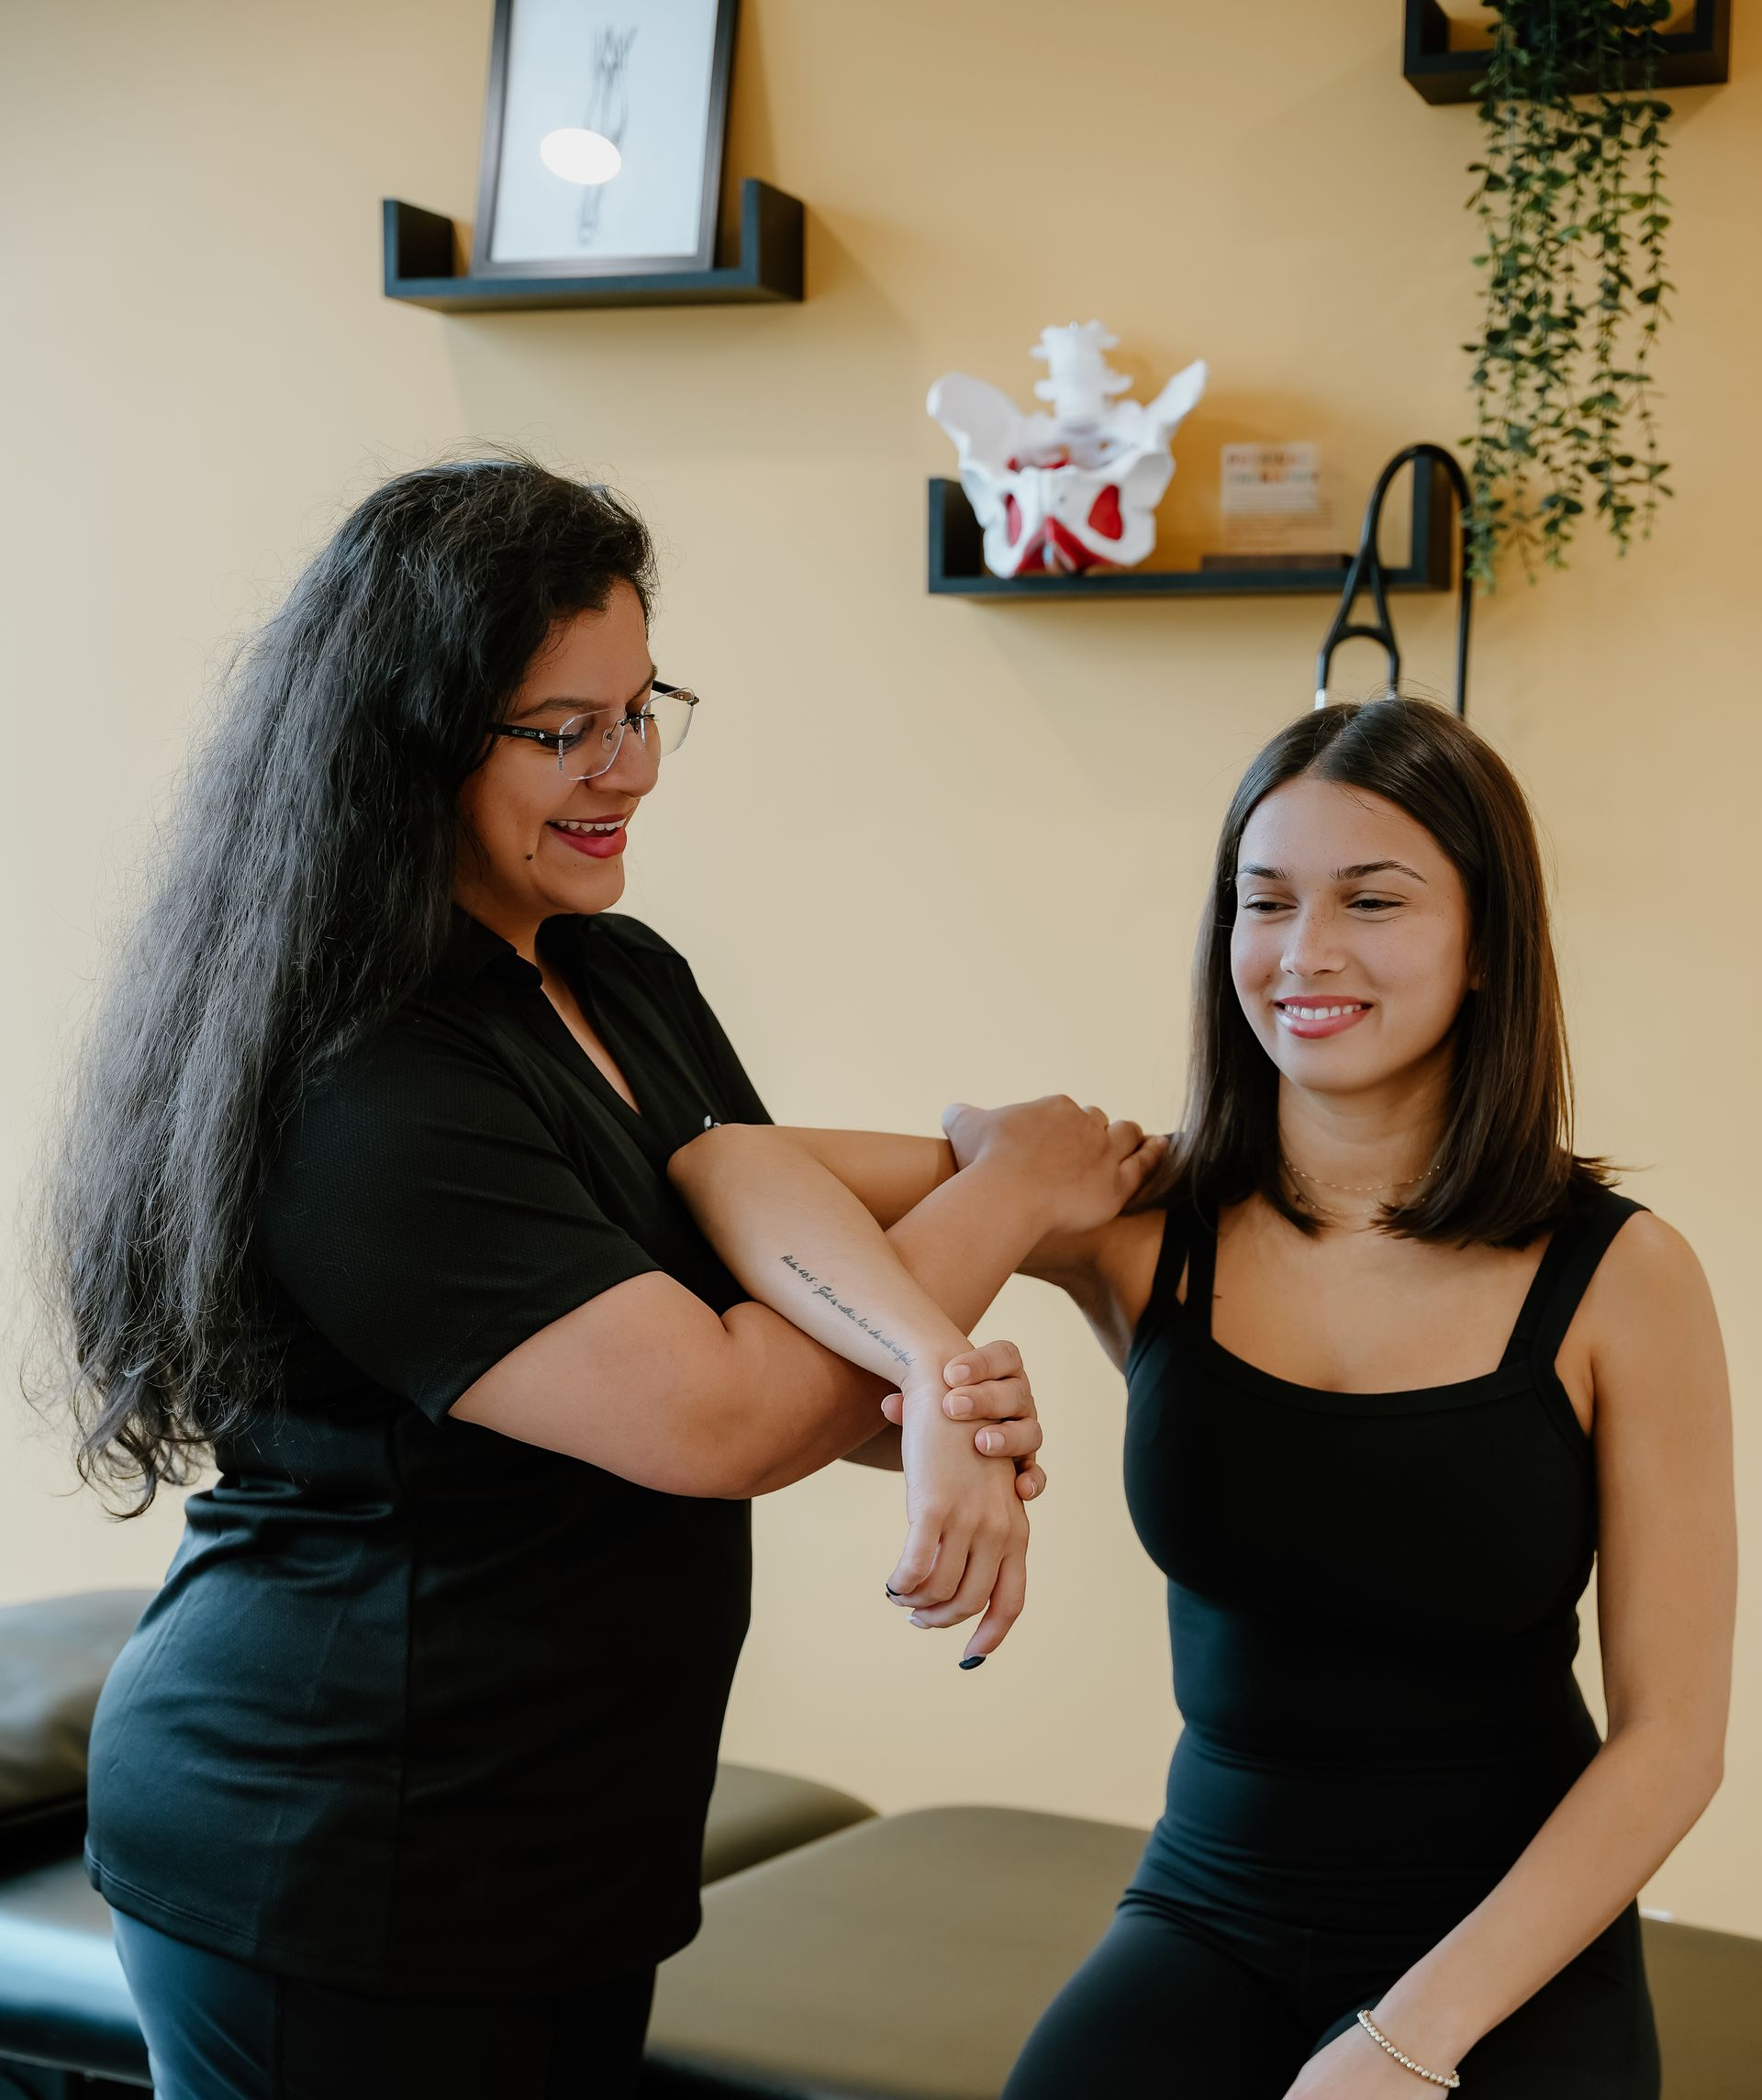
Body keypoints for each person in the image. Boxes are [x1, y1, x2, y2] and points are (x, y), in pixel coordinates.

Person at [33, 457, 1164, 2100]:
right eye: (563, 731)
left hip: (556, 1845)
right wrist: (1009, 1212)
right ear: (405, 742)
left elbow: (739, 1190)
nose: (623, 769)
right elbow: (721, 1416)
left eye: (641, 710)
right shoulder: (368, 1084)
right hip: (341, 1847)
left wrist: (943, 1323)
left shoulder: (605, 967)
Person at [683, 696, 1735, 2098]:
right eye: (1266, 901)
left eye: (1374, 899)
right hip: (1211, 1912)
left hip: (1508, 1941)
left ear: (1488, 944)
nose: (1306, 952)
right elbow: (727, 1168)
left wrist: (1405, 2044)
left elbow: (1673, 1745)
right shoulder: (1140, 1220)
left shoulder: (1623, 1278)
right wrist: (939, 1365)